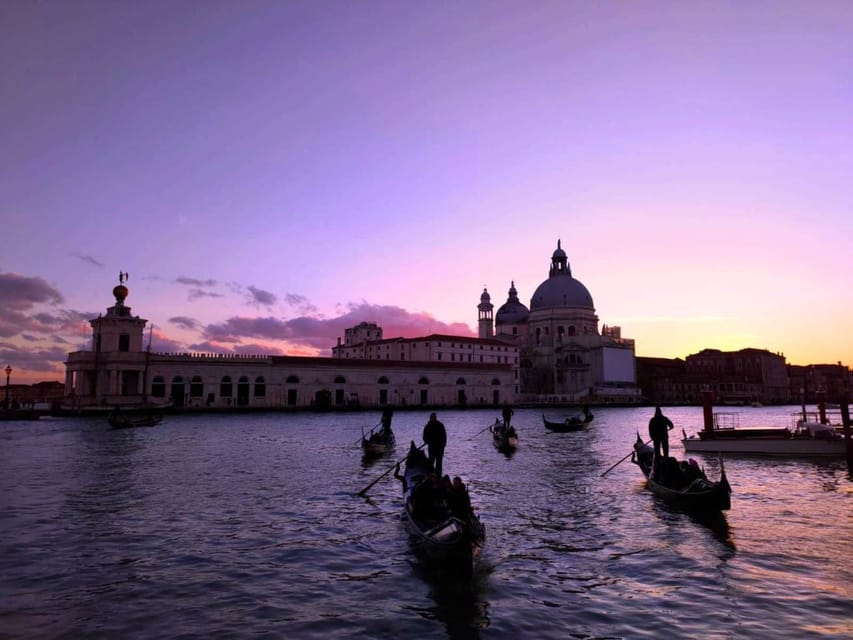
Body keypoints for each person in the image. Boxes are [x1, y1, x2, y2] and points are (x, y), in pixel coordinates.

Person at [422, 412, 447, 477]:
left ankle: (438, 475)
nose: (433, 419)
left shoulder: (440, 425)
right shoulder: (427, 426)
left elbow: (444, 436)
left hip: (439, 447)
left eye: (433, 417)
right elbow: (424, 437)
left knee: (438, 462)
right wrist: (428, 442)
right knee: (432, 461)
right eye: (432, 418)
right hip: (432, 447)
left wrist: (443, 445)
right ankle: (431, 474)